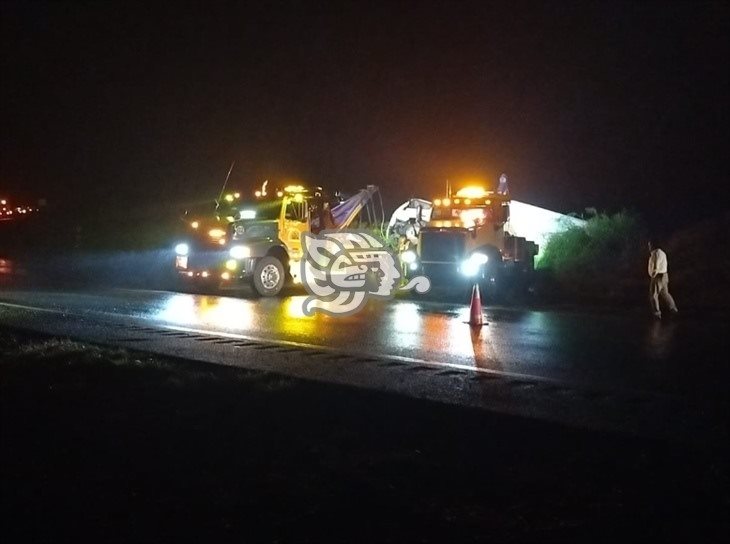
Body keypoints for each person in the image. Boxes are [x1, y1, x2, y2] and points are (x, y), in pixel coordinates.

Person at [647, 239, 678, 319]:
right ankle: (673, 308)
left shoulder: (655, 253)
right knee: (665, 293)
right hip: (665, 275)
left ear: (653, 245)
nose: (649, 247)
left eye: (650, 245)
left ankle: (657, 314)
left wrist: (653, 275)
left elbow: (656, 267)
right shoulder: (662, 253)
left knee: (653, 295)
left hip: (658, 276)